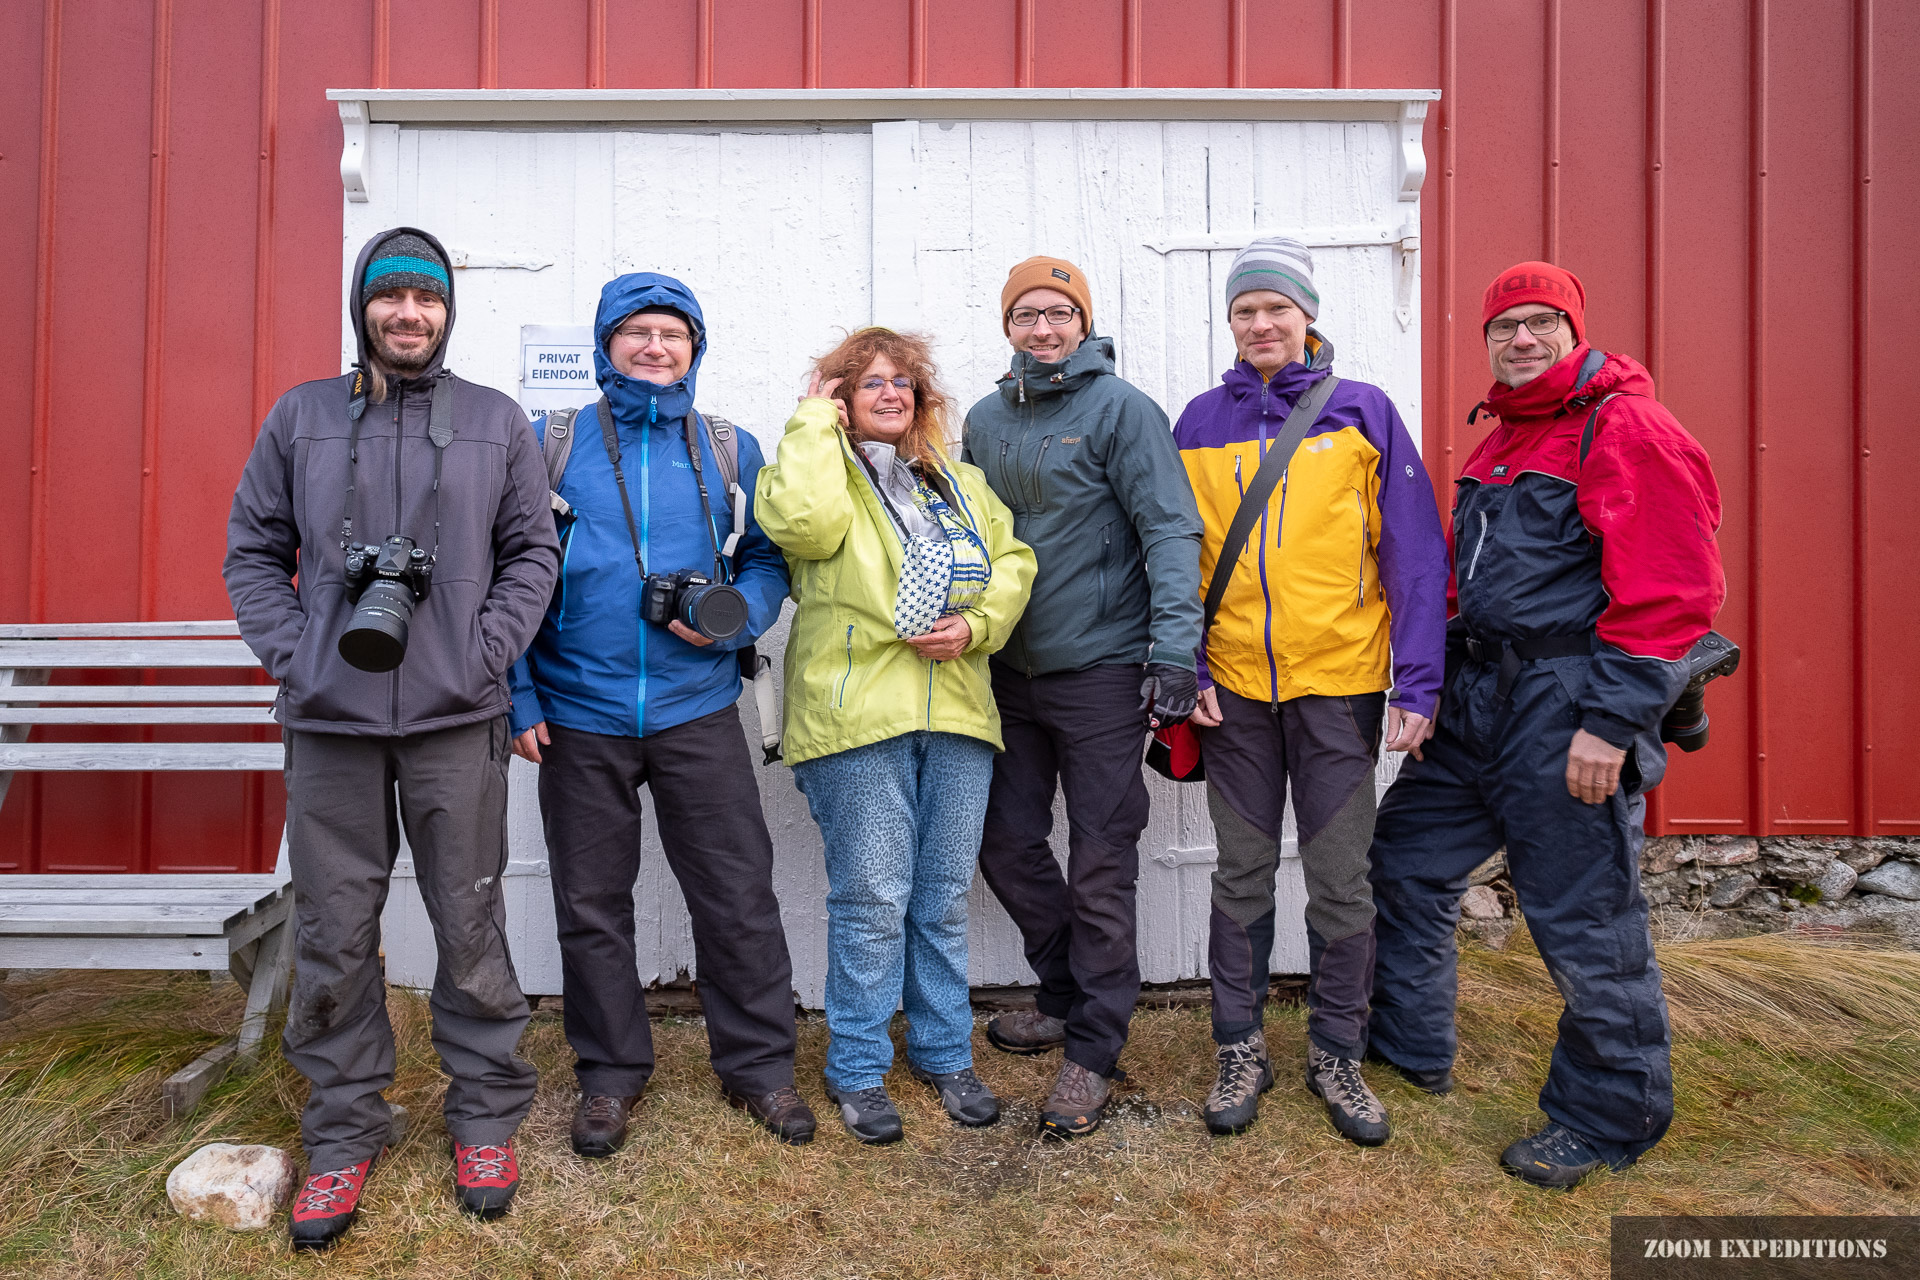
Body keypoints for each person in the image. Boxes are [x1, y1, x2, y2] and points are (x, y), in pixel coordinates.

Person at [224, 227, 560, 1249]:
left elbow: (530, 553)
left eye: (426, 299)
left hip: (458, 718)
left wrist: (481, 652)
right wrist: (303, 657)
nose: (408, 314)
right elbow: (250, 552)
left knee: (470, 917)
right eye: (390, 298)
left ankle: (487, 1114)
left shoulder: (497, 421)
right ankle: (340, 1129)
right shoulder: (302, 416)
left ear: (447, 311)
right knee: (331, 925)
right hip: (331, 723)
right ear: (362, 306)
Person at [1367, 261, 1726, 1187]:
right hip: (1478, 700)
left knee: (1583, 915)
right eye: (1503, 328)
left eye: (1539, 324)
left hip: (1568, 704)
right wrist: (1429, 682)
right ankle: (1410, 1048)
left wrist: (1610, 724)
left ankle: (1609, 1117)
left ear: (1573, 329)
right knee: (1405, 859)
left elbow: (1674, 593)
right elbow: (1464, 583)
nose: (1520, 340)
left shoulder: (1627, 428)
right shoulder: (1504, 438)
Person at [507, 274, 813, 1157]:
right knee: (591, 903)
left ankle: (758, 1069)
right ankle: (608, 1077)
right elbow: (509, 571)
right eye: (635, 332)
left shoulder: (727, 447)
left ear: (695, 348)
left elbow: (766, 557)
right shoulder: (550, 446)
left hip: (698, 706)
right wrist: (520, 694)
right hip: (579, 712)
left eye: (671, 334)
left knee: (737, 895)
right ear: (606, 346)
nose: (653, 347)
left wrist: (744, 619)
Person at [1175, 237, 1449, 1143]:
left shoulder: (1364, 412)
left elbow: (1413, 553)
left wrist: (1418, 680)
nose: (1260, 324)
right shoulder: (1197, 422)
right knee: (1242, 873)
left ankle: (1338, 1051)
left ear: (1307, 317)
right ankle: (1238, 1047)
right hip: (1236, 693)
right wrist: (1190, 667)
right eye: (1244, 310)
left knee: (1339, 879)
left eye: (1276, 309)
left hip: (1340, 685)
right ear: (1230, 323)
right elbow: (1177, 562)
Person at [755, 328, 1036, 1144]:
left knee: (942, 898)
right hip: (854, 716)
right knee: (875, 898)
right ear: (840, 395)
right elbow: (803, 529)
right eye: (867, 383)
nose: (889, 395)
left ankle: (945, 1053)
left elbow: (1012, 561)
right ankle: (858, 1068)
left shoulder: (957, 480)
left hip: (956, 708)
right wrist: (812, 419)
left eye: (901, 384)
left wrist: (978, 625)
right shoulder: (815, 469)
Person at [963, 256, 1204, 1138]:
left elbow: (1170, 527)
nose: (1044, 329)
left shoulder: (1123, 411)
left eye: (1060, 313)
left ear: (1084, 322)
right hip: (1005, 671)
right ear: (1008, 326)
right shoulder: (987, 419)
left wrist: (1175, 649)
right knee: (1004, 841)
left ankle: (1094, 1049)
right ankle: (1066, 992)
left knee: (1103, 860)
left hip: (1102, 670)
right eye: (1027, 314)